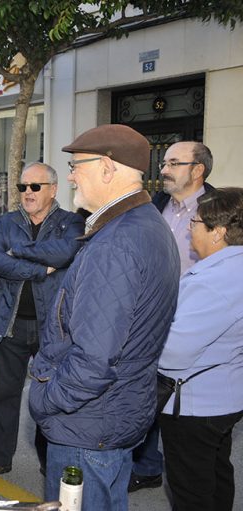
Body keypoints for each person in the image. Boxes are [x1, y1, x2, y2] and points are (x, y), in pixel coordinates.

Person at [28, 124, 180, 511]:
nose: (72, 175)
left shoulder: (116, 242)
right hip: (111, 417)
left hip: (88, 424)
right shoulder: (145, 224)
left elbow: (93, 360)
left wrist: (46, 400)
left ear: (108, 168)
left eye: (77, 165)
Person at [0, 163, 84, 482]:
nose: (28, 193)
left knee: (50, 397)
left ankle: (51, 460)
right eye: (23, 187)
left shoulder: (71, 222)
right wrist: (36, 268)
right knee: (5, 394)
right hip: (11, 322)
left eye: (35, 186)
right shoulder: (6, 221)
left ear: (53, 188)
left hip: (54, 326)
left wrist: (17, 251)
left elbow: (64, 254)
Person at [129, 141, 216, 492]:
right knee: (148, 393)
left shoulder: (221, 208)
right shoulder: (157, 205)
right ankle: (149, 466)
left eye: (173, 163)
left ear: (198, 170)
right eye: (163, 162)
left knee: (191, 416)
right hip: (153, 315)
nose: (163, 170)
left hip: (200, 322)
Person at [157, 188, 243, 511]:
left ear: (218, 232)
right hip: (226, 396)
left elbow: (173, 354)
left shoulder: (215, 281)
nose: (188, 228)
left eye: (195, 222)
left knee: (191, 491)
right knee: (218, 475)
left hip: (196, 407)